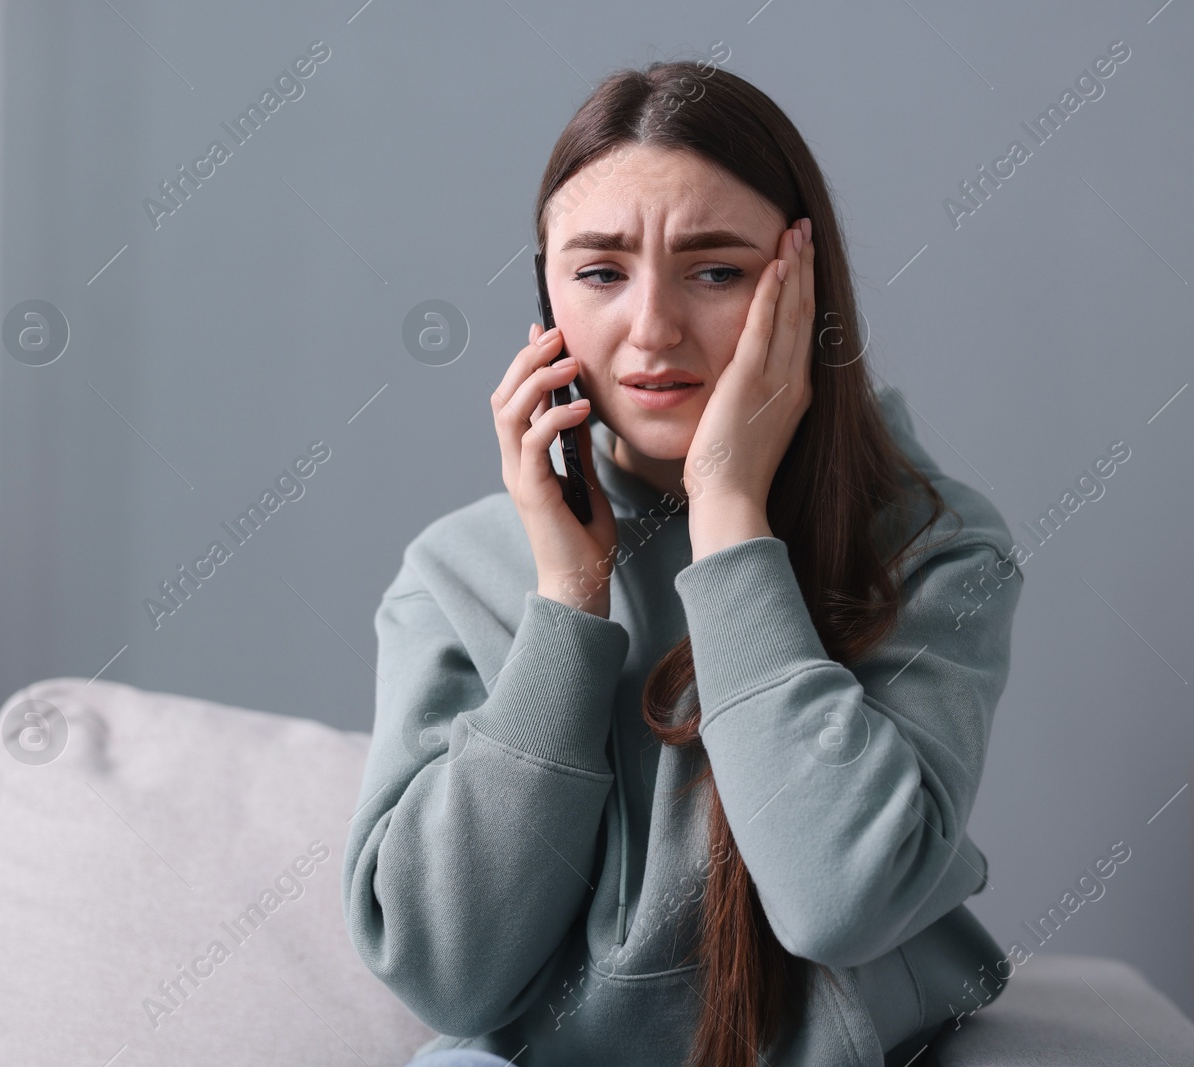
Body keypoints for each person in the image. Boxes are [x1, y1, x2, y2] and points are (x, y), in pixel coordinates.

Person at [342, 59, 1024, 1067]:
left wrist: (731, 515)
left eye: (715, 270)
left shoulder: (934, 544)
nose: (652, 329)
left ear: (803, 291)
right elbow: (449, 972)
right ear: (546, 298)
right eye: (600, 272)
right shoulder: (454, 571)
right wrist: (568, 601)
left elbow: (843, 898)